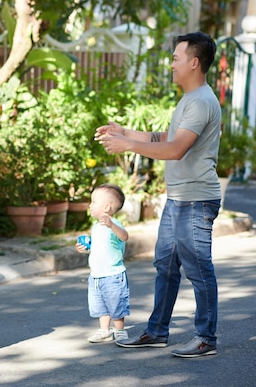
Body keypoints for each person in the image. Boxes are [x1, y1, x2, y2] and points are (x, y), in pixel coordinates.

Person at [95, 31, 221, 358]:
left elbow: (176, 149)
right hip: (179, 198)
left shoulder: (202, 100)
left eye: (176, 58)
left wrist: (128, 145)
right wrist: (124, 131)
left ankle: (206, 337)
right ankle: (157, 331)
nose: (171, 65)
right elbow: (165, 135)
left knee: (197, 267)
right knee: (166, 264)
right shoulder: (190, 99)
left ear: (194, 62)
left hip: (196, 199)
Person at [75, 184, 130, 343]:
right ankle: (104, 330)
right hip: (96, 275)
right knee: (101, 304)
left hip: (113, 274)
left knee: (116, 303)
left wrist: (112, 225)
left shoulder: (115, 225)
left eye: (93, 201)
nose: (90, 205)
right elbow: (99, 248)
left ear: (106, 207)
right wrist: (86, 249)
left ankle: (120, 330)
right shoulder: (96, 226)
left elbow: (124, 237)